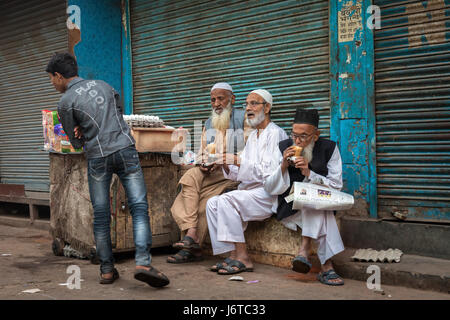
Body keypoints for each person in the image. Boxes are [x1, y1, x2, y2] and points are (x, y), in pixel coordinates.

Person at [46, 52, 169, 287]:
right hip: (125, 149)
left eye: (52, 79)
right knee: (140, 208)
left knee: (101, 215)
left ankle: (106, 270)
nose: (52, 83)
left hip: (98, 157)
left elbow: (76, 143)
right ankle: (143, 262)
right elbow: (118, 115)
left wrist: (83, 131)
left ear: (59, 76)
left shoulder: (65, 103)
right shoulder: (104, 85)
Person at [206, 89, 288, 275]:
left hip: (267, 194)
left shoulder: (276, 134)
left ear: (267, 108)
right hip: (250, 191)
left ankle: (243, 257)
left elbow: (269, 175)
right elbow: (243, 172)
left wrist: (236, 160)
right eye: (247, 105)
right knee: (212, 203)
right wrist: (226, 165)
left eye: (254, 104)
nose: (248, 109)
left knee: (226, 200)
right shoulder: (253, 136)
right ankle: (230, 255)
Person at [167, 82, 250, 264]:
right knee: (189, 176)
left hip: (231, 173)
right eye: (213, 100)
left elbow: (251, 151)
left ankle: (191, 244)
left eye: (221, 98)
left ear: (232, 99)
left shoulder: (243, 118)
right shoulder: (208, 123)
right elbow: (202, 151)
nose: (216, 103)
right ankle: (192, 234)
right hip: (212, 172)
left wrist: (226, 159)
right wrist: (203, 162)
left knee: (200, 202)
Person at [264, 107, 345, 286]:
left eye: (304, 136)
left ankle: (304, 251)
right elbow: (269, 186)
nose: (298, 141)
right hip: (289, 205)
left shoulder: (329, 148)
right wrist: (283, 166)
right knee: (311, 198)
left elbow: (336, 185)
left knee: (313, 197)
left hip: (318, 203)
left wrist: (310, 173)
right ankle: (326, 265)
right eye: (295, 135)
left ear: (316, 135)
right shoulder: (283, 147)